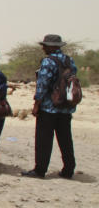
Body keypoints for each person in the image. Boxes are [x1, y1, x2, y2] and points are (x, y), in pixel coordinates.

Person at [22, 34, 77, 179]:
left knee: (44, 139)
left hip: (49, 107)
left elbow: (43, 85)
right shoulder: (69, 61)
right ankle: (68, 169)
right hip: (66, 107)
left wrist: (36, 104)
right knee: (65, 139)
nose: (43, 48)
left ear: (51, 47)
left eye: (45, 45)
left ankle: (40, 170)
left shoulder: (48, 61)